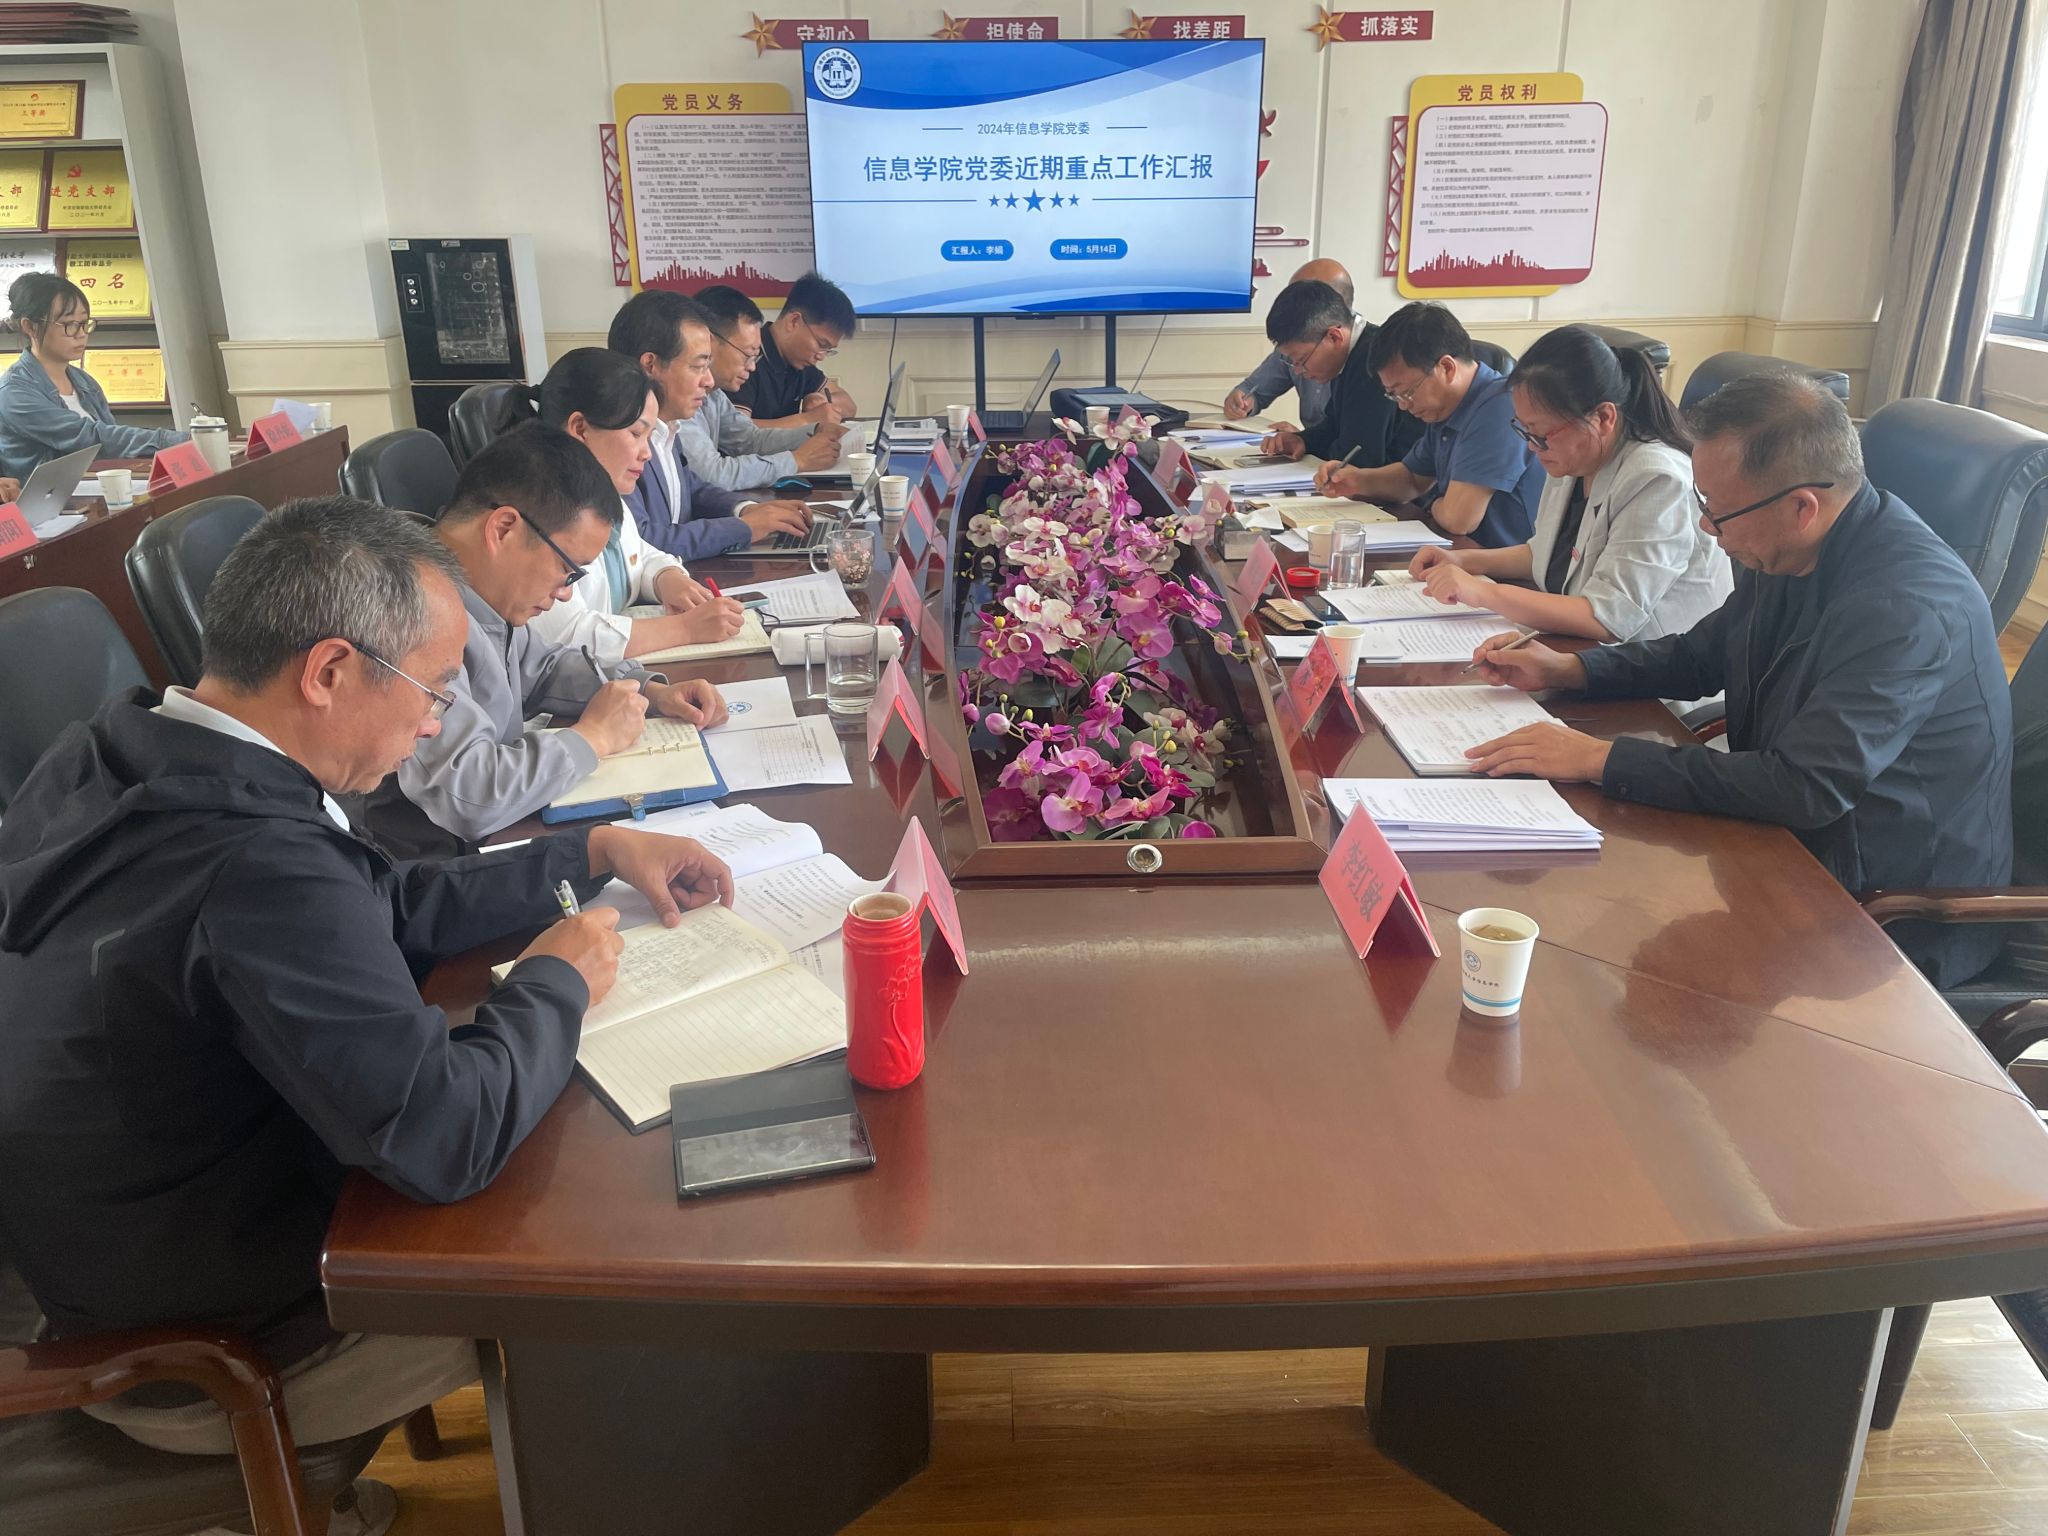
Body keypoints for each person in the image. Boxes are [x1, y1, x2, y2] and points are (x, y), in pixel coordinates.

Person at [0, 495, 733, 1476]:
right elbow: (445, 1137)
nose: (435, 724)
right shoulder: (249, 868)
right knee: (620, 1247)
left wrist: (589, 852)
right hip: (218, 1354)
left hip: (130, 1247)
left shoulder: (136, 748)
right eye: (433, 689)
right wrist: (554, 983)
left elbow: (376, 898)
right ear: (329, 671)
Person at [1465, 371, 2013, 988]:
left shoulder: (1905, 607)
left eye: (1717, 512)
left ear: (1802, 506)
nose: (1707, 528)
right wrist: (1570, 668)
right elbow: (1702, 654)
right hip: (1790, 852)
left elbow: (1805, 786)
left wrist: (1598, 758)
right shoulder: (1789, 546)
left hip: (1888, 915)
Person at [362, 423, 729, 859]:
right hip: (428, 863)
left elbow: (544, 667)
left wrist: (647, 691)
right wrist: (592, 738)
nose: (566, 593)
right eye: (567, 570)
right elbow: (467, 793)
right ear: (504, 529)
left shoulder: (479, 590)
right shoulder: (414, 614)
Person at [1410, 324, 1730, 643]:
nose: (1532, 447)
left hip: (1658, 667)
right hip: (1588, 651)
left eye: (1541, 434)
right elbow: (1545, 554)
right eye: (1525, 430)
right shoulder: (1576, 457)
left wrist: (1482, 592)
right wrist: (1461, 561)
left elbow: (1608, 616)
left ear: (1603, 418)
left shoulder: (1657, 480)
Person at [493, 346, 745, 662]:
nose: (647, 453)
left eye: (649, 437)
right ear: (580, 429)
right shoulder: (539, 511)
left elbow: (639, 553)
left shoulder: (600, 495)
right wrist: (686, 629)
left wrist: (667, 578)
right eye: (636, 434)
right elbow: (568, 636)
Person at [1317, 301, 1544, 548]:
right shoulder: (1446, 408)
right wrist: (1357, 480)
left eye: (1407, 392)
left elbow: (1458, 520)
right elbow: (1412, 479)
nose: (1403, 406)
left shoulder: (1500, 408)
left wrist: (1432, 503)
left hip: (1503, 563)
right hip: (1461, 553)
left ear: (1446, 367)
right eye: (1394, 396)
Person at [606, 289, 812, 559]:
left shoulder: (668, 423)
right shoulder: (616, 440)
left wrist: (745, 509)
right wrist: (744, 528)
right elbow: (643, 541)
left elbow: (691, 487)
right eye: (698, 366)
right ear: (650, 365)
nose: (709, 381)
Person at [0, 271, 186, 484]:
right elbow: (90, 437)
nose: (81, 334)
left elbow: (112, 443)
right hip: (49, 501)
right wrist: (174, 440)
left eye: (84, 323)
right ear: (30, 327)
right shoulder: (13, 392)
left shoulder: (84, 381)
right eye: (69, 324)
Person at [682, 284, 846, 487]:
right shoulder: (678, 397)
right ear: (709, 342)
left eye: (756, 356)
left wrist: (815, 430)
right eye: (748, 355)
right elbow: (714, 474)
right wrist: (797, 461)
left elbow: (748, 439)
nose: (752, 367)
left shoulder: (714, 394)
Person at [1254, 280, 1422, 476]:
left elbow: (1359, 457)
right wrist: (1303, 440)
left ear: (1334, 337)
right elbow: (1334, 426)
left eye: (1301, 360)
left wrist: (1318, 449)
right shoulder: (1348, 354)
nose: (1298, 371)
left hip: (1406, 488)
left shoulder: (1373, 361)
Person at [1224, 258, 1357, 425]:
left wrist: (1304, 438)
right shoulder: (1294, 340)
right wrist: (1242, 400)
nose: (1298, 369)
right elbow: (1256, 389)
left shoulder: (1369, 355)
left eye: (1303, 298)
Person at [730, 270, 858, 426]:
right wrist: (807, 419)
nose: (821, 356)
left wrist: (821, 401)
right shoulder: (748, 359)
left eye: (828, 350)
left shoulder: (798, 362)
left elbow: (849, 406)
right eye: (821, 344)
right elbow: (735, 431)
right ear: (794, 321)